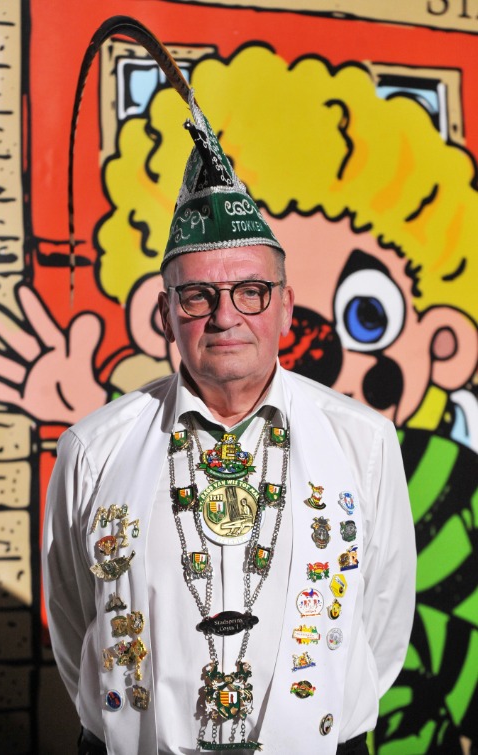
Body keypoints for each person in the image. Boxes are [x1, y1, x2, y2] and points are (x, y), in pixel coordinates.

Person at [42, 74, 416, 754]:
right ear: (166, 314)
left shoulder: (362, 439)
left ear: (284, 305)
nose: (225, 316)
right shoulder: (93, 447)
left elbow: (383, 620)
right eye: (197, 297)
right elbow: (74, 624)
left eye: (250, 290)